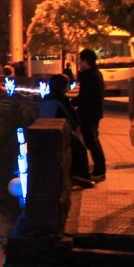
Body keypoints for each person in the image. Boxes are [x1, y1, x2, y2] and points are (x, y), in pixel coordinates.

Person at [39, 74, 95, 188]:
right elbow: (74, 117)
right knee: (80, 149)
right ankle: (82, 177)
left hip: (44, 132)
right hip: (57, 132)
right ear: (64, 86)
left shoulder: (48, 97)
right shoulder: (61, 98)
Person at [74, 48, 106, 181]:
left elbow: (84, 96)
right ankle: (99, 169)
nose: (79, 64)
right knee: (92, 140)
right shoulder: (94, 74)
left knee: (91, 141)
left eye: (80, 61)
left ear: (85, 61)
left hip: (89, 113)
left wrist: (70, 101)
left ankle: (99, 171)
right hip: (94, 112)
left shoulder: (91, 76)